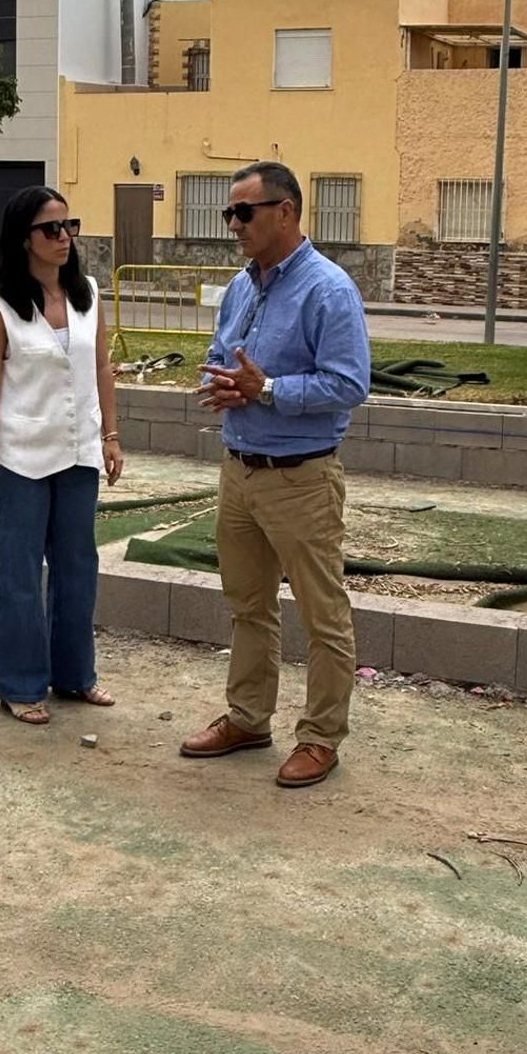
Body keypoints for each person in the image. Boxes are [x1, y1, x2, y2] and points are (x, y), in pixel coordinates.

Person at [180, 161, 370, 788]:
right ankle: (248, 717)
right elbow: (218, 355)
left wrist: (267, 390)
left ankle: (319, 737)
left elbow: (349, 384)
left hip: (301, 478)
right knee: (248, 606)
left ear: (285, 212)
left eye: (244, 212)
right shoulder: (242, 285)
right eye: (228, 213)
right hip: (239, 473)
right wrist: (225, 383)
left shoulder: (329, 289)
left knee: (323, 615)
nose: (233, 224)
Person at [0, 186, 125, 724]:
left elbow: (102, 367)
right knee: (17, 574)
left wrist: (110, 435)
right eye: (50, 229)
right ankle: (19, 683)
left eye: (69, 226)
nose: (64, 237)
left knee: (78, 567)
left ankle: (75, 676)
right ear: (23, 239)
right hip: (20, 458)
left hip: (79, 452)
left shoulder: (87, 294)